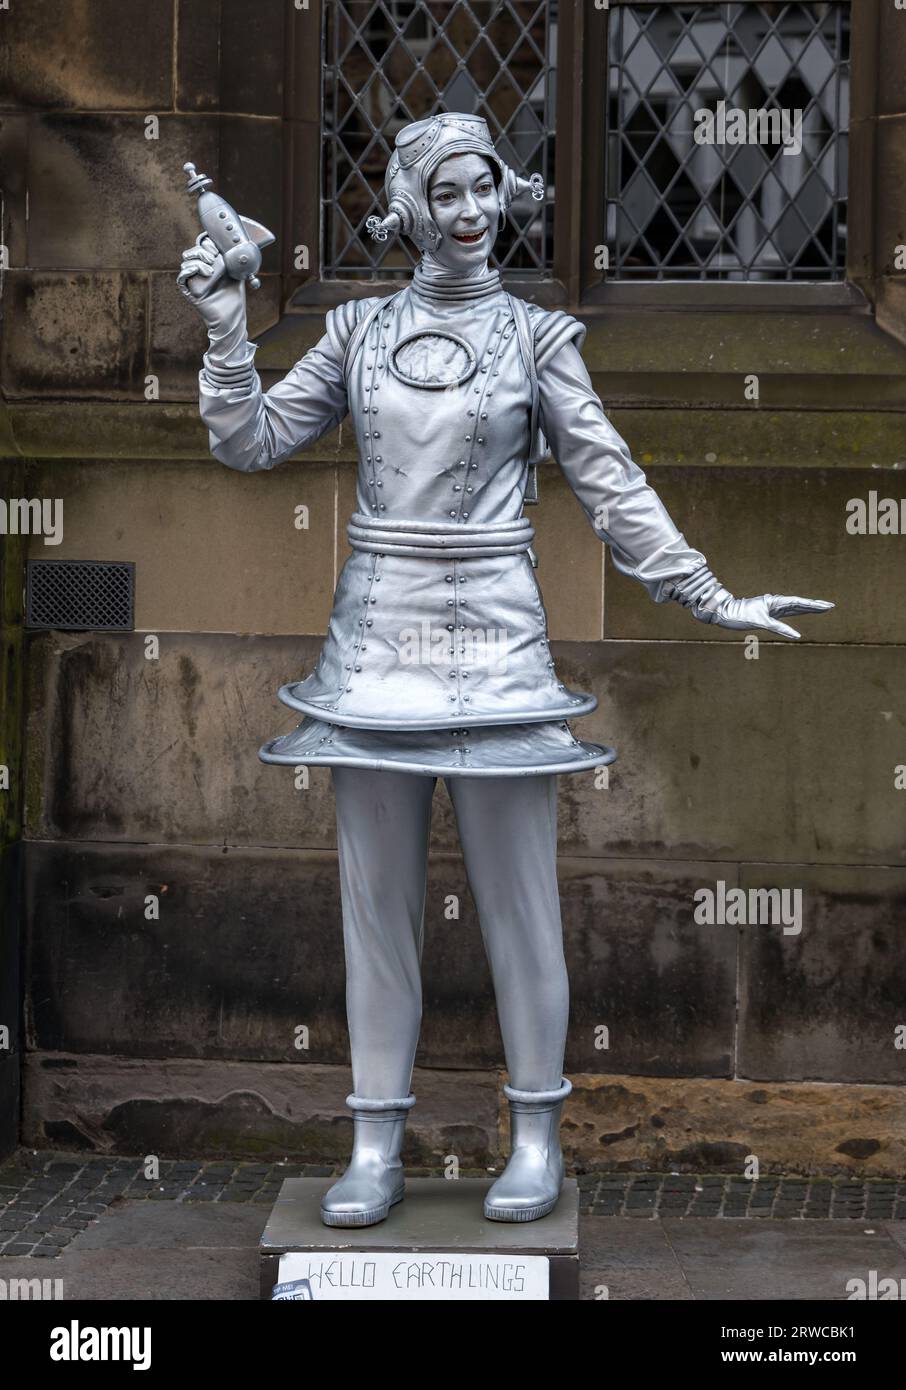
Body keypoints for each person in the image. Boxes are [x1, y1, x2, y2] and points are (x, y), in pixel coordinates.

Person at [178, 112, 832, 1228]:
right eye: (448, 194)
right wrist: (226, 327)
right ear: (409, 209)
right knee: (374, 910)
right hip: (375, 643)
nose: (473, 212)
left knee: (521, 905)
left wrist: (709, 590)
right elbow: (248, 442)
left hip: (496, 644)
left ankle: (535, 1133)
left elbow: (611, 479)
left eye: (487, 190)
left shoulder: (539, 338)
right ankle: (374, 1142)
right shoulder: (355, 332)